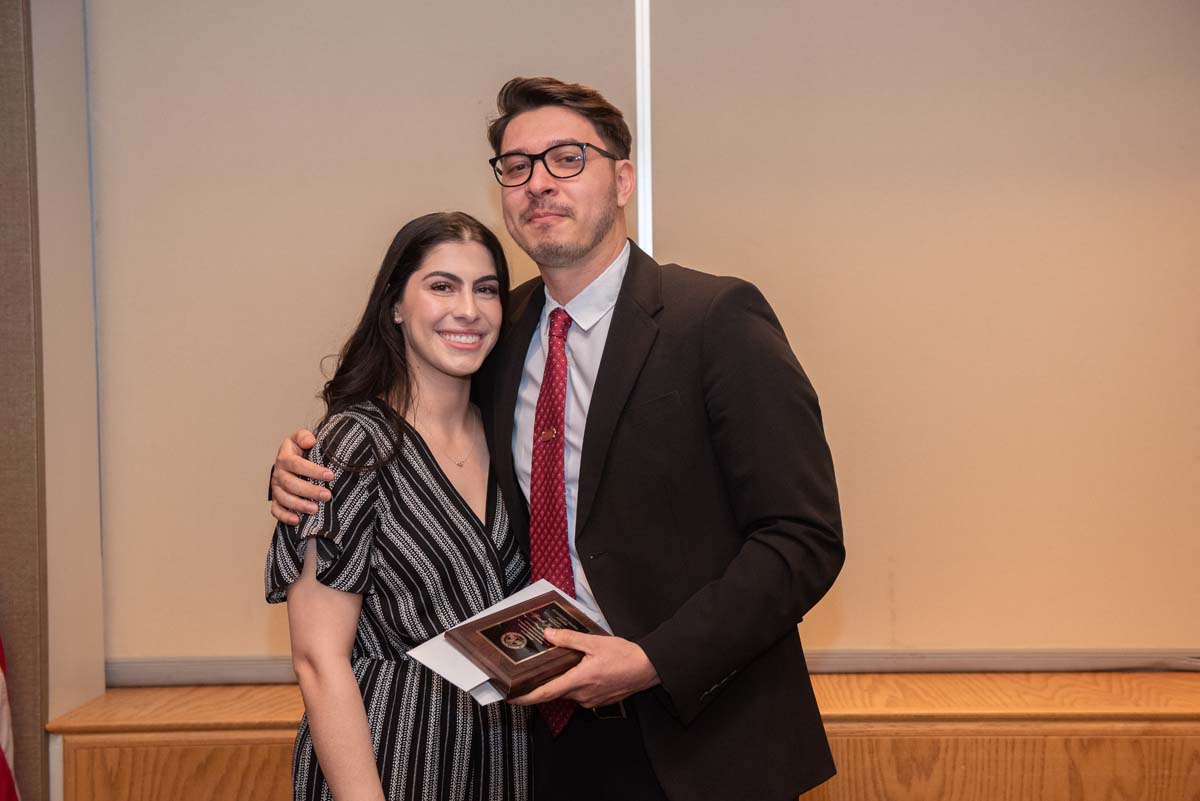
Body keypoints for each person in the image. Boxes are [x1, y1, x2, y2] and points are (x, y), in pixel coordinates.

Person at [271, 78, 845, 801]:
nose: (539, 181)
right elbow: (409, 449)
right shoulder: (494, 334)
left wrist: (651, 659)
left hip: (700, 740)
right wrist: (302, 466)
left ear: (623, 179)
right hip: (538, 748)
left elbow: (803, 536)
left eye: (567, 158)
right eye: (517, 165)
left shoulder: (715, 320)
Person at [265, 211, 530, 801]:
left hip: (505, 761)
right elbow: (317, 658)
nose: (468, 309)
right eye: (442, 286)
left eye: (486, 289)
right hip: (392, 757)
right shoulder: (351, 445)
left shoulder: (511, 434)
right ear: (395, 305)